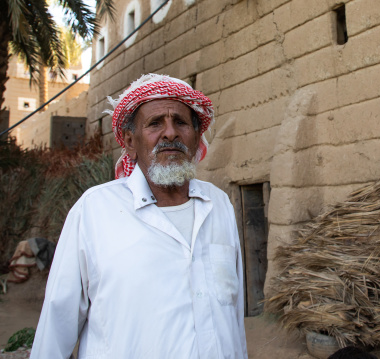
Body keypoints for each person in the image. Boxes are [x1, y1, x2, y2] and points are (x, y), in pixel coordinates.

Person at [30, 74, 248, 358]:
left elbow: (233, 319)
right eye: (155, 123)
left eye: (180, 122)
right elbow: (56, 329)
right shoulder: (94, 211)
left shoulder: (218, 204)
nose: (170, 133)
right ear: (131, 142)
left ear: (195, 138)